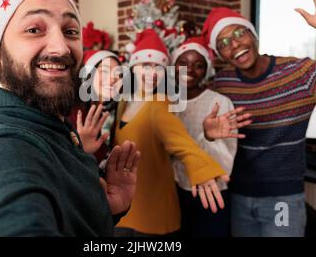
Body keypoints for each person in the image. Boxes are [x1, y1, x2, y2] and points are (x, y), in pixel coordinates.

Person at [0, 0, 140, 236]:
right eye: (34, 29)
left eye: (70, 31)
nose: (60, 47)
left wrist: (104, 209)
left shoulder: (54, 127)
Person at [202, 0, 316, 237]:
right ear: (220, 55)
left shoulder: (302, 73)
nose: (235, 44)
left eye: (239, 33)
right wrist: (207, 133)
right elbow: (199, 134)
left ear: (253, 34)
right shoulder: (221, 84)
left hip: (282, 200)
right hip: (238, 196)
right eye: (224, 43)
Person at [113, 29, 250, 236]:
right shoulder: (124, 101)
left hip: (188, 198)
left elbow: (181, 144)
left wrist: (201, 167)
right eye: (145, 66)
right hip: (132, 203)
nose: (152, 73)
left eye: (157, 67)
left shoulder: (160, 103)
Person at [171, 37, 240, 237]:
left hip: (211, 192)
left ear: (206, 71)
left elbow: (228, 154)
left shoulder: (219, 102)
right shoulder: (168, 104)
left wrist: (208, 138)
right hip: (176, 192)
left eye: (198, 65)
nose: (190, 70)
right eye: (183, 63)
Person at [69, 50, 122, 168]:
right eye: (104, 71)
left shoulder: (112, 112)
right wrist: (82, 149)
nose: (113, 78)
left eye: (118, 74)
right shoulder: (74, 113)